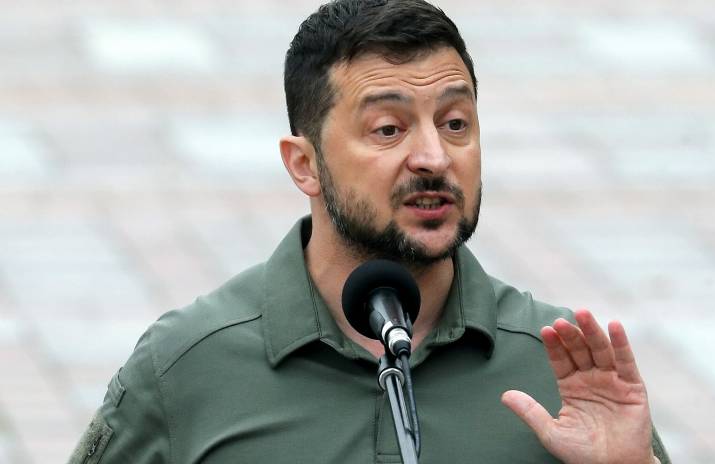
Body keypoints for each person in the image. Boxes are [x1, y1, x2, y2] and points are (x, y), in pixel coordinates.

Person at [70, 1, 671, 462]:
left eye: (455, 123)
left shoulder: (561, 366)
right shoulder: (187, 365)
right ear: (304, 165)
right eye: (389, 129)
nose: (434, 157)